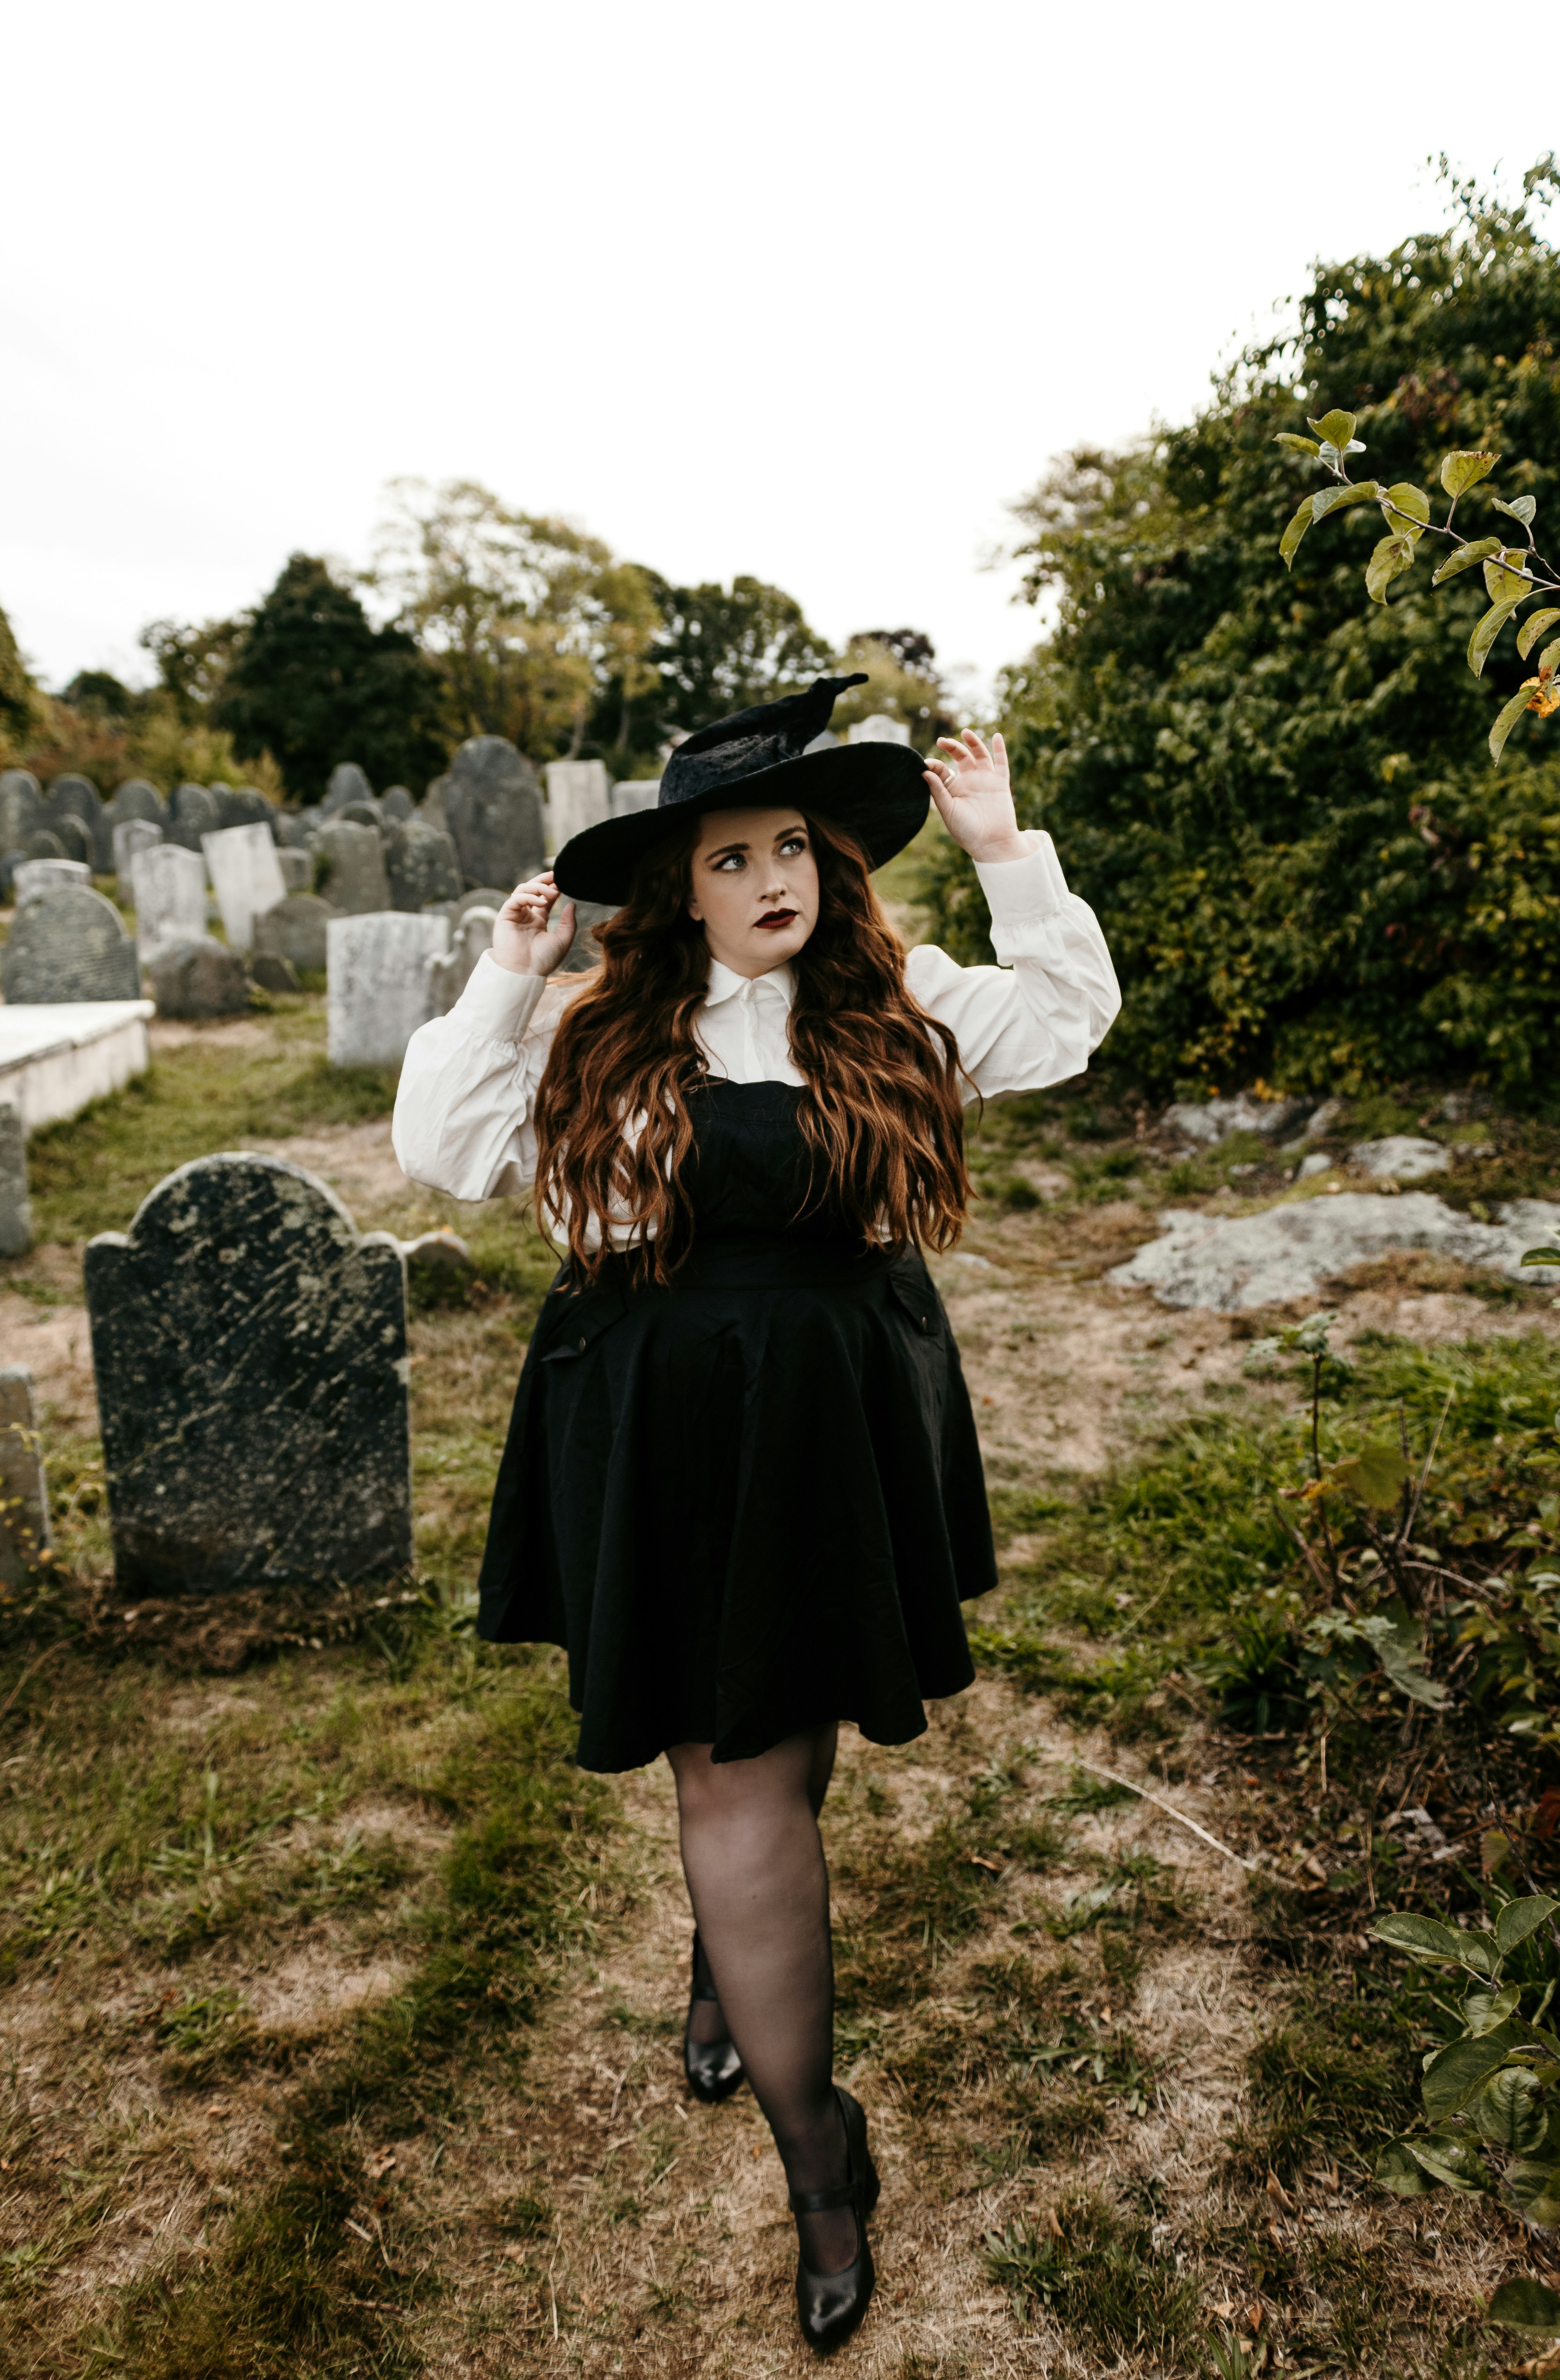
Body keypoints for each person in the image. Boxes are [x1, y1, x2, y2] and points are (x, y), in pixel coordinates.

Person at [392, 675, 1119, 2354]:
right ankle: (821, 2161)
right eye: (727, 858)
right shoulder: (603, 1032)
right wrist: (507, 977)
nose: (769, 878)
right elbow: (440, 1149)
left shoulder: (895, 1000)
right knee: (727, 1767)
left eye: (791, 846)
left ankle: (727, 1957)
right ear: (673, 890)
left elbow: (1066, 1022)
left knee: (780, 1754)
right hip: (655, 1414)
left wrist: (1007, 854)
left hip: (835, 1412)